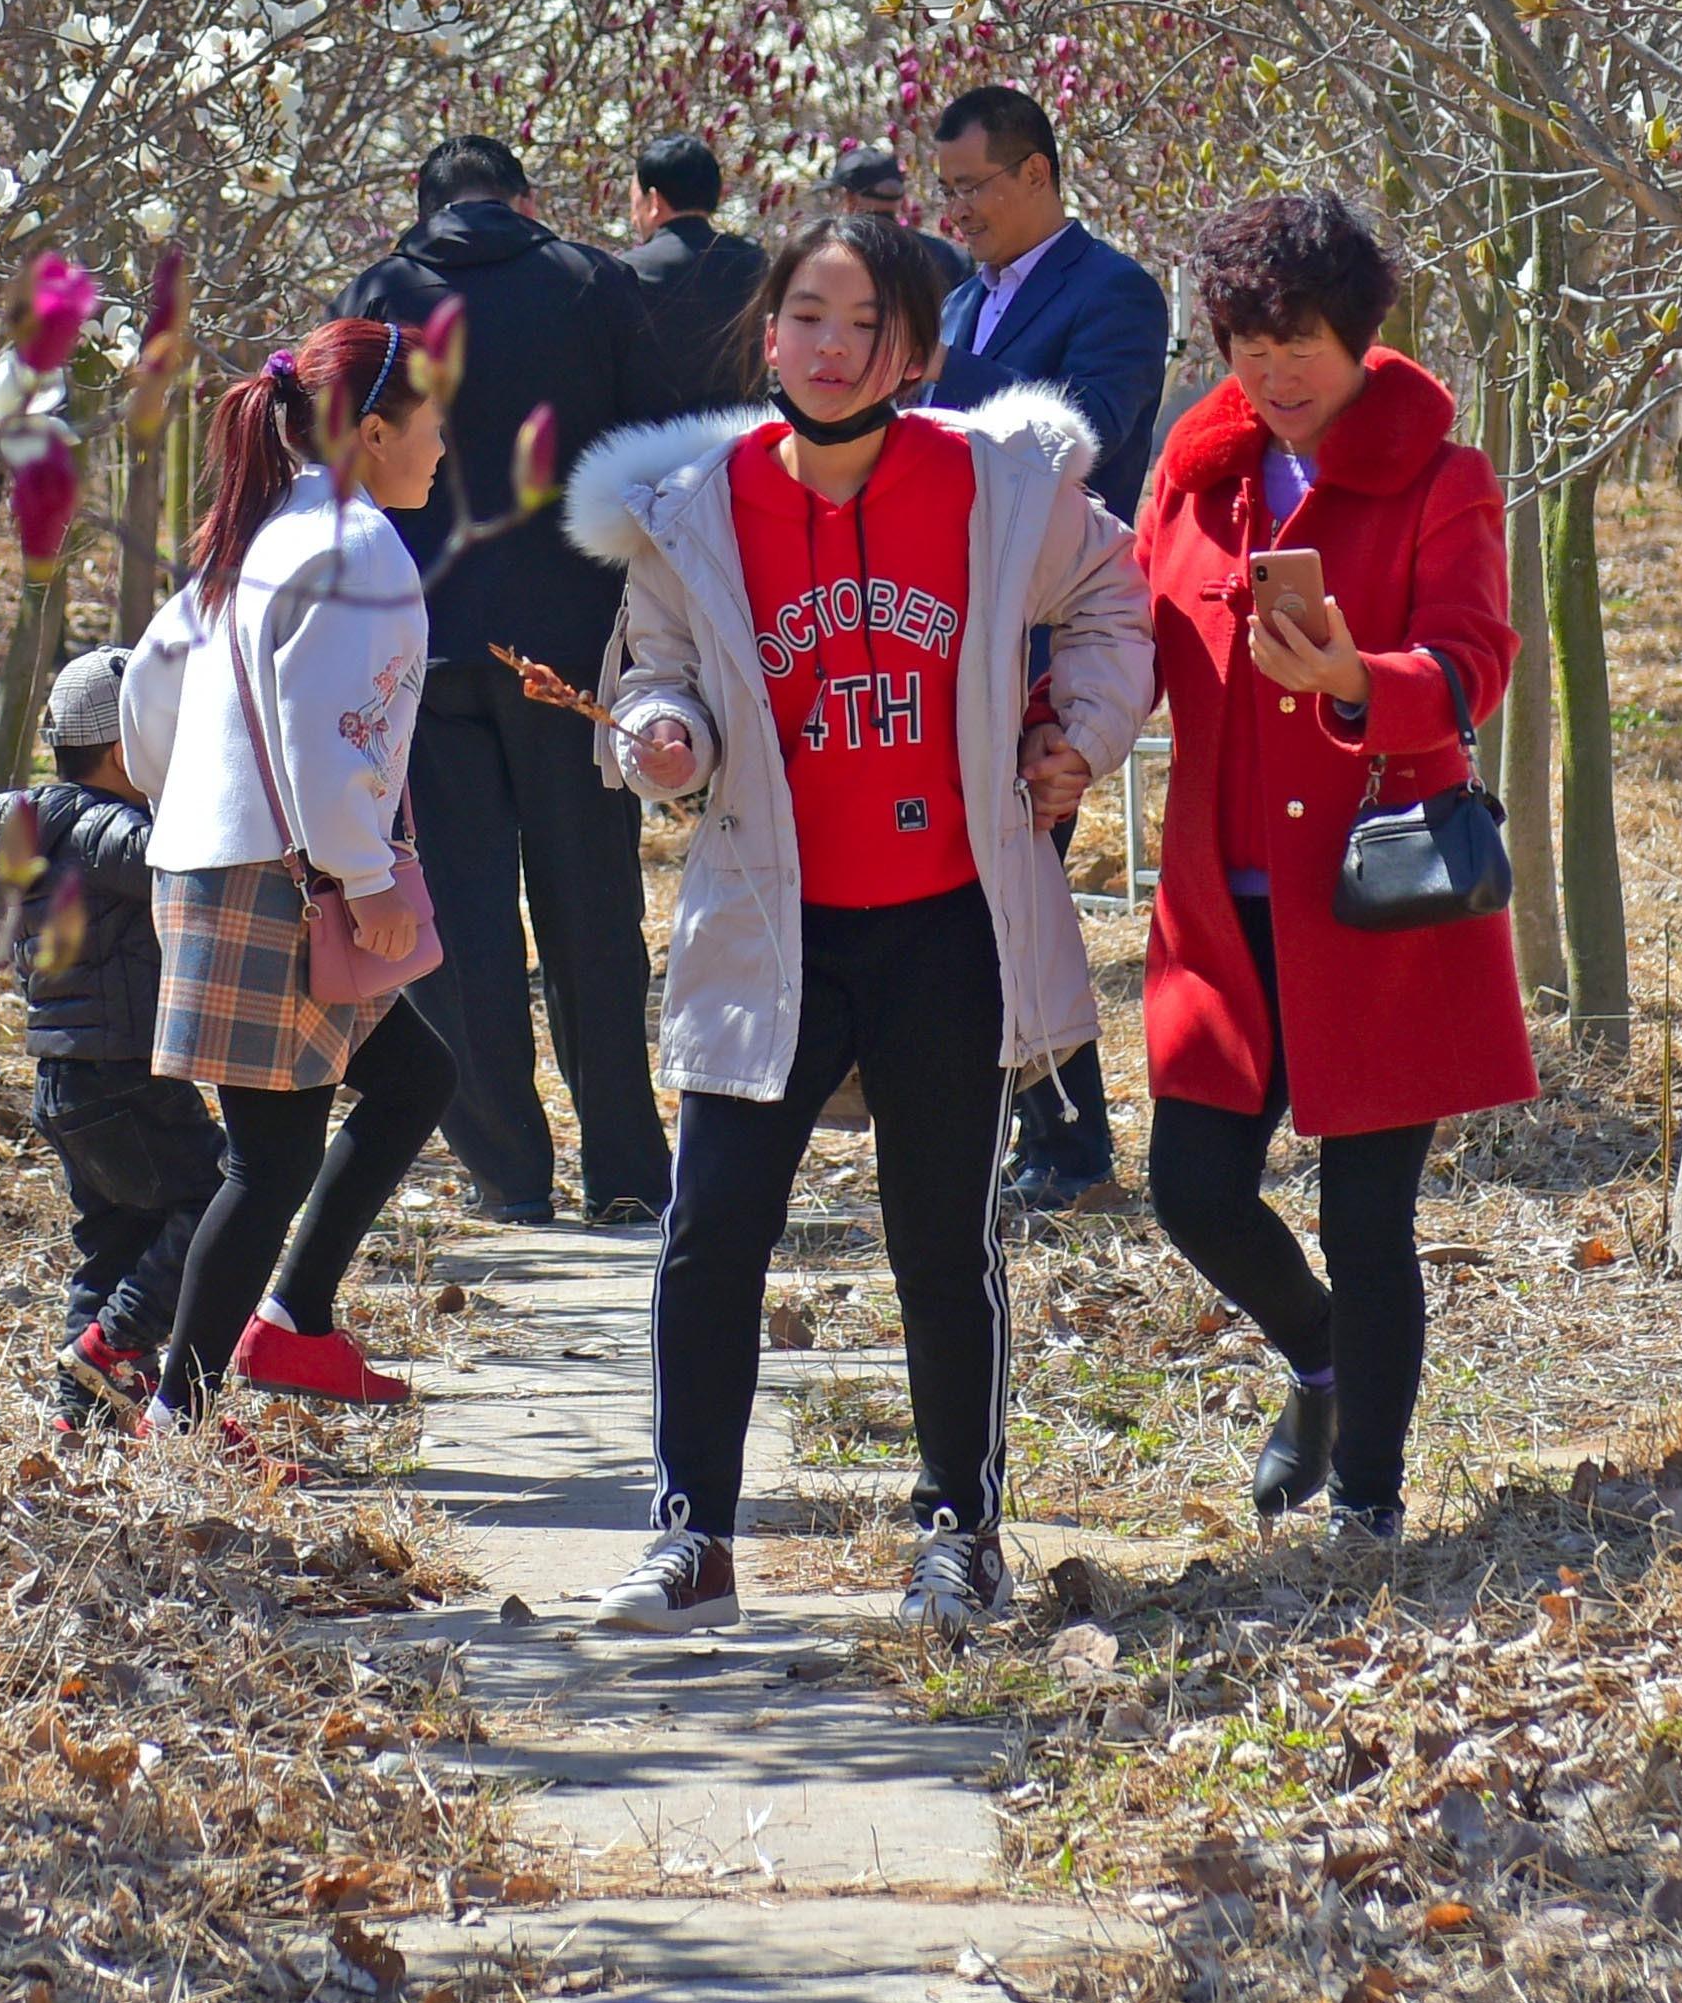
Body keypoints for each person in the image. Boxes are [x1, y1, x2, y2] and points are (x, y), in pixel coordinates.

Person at [568, 207, 1155, 1635]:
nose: (835, 350)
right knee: (711, 1231)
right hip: (774, 918)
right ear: (767, 333)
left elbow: (1114, 602)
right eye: (810, 319)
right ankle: (691, 1537)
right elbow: (654, 674)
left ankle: (959, 1534)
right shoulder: (698, 503)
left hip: (945, 920)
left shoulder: (995, 488)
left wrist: (1077, 734)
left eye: (870, 327)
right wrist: (660, 736)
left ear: (916, 354)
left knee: (938, 1240)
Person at [1133, 187, 1532, 1541]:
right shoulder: (1191, 485)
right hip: (1220, 909)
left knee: (1370, 1220)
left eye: (1297, 342)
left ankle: (1368, 1495)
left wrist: (1366, 680)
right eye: (1246, 346)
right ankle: (1317, 1360)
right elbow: (1129, 647)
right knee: (1190, 1185)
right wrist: (1056, 735)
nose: (1272, 372)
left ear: (1359, 336)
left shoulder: (1440, 478)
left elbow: (1476, 654)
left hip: (1372, 904)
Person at [346, 136, 697, 1233]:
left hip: (424, 640)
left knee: (462, 919)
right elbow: (656, 455)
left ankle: (506, 1168)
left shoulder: (380, 296)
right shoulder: (590, 282)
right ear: (524, 199)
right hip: (571, 647)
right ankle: (628, 1167)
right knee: (592, 912)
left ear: (424, 204)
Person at [130, 319, 460, 1426]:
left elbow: (151, 697)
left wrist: (194, 799)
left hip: (224, 862)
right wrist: (362, 876)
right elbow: (332, 734)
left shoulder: (268, 526)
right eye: (431, 421)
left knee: (415, 1079)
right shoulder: (353, 542)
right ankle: (179, 1414)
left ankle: (294, 1322)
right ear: (372, 428)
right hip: (285, 878)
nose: (444, 444)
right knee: (266, 1162)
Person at [929, 82, 1172, 1217]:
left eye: (974, 188)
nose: (958, 213)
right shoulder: (953, 301)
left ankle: (1070, 1146)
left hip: (1052, 632)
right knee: (973, 896)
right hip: (951, 626)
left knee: (1016, 887)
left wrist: (933, 384)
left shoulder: (1115, 290)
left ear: (1038, 175)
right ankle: (1019, 1136)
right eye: (947, 193)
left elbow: (1094, 429)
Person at [0, 642, 218, 1419]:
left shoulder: (42, 829)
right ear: (129, 750)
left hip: (67, 1078)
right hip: (122, 1075)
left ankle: (77, 1408)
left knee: (112, 1241)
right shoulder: (100, 832)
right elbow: (170, 859)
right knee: (222, 1198)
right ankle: (113, 1344)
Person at [604, 133, 766, 420]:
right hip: (742, 437)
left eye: (634, 200)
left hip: (656, 444)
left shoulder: (628, 271)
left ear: (653, 200)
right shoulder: (753, 261)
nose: (632, 216)